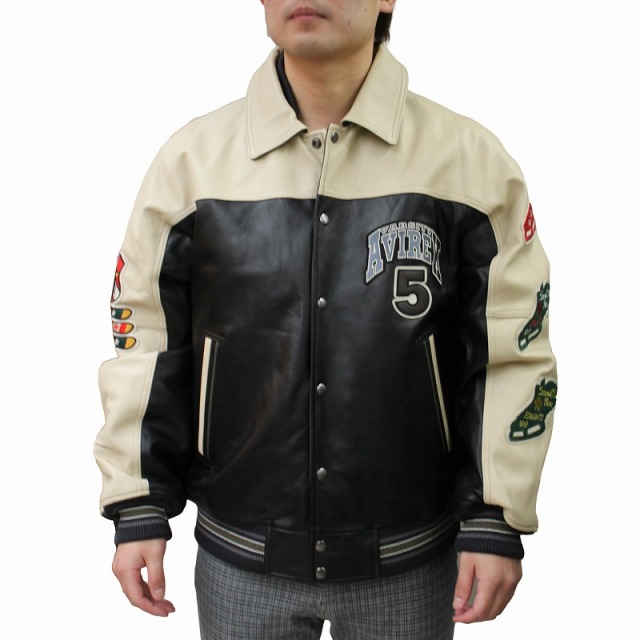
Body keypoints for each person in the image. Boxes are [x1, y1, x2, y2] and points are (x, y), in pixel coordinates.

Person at [95, 1, 557, 638]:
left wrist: (495, 514)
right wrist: (139, 502)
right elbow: (146, 338)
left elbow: (511, 346)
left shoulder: (469, 162)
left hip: (410, 558)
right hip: (241, 556)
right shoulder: (191, 163)